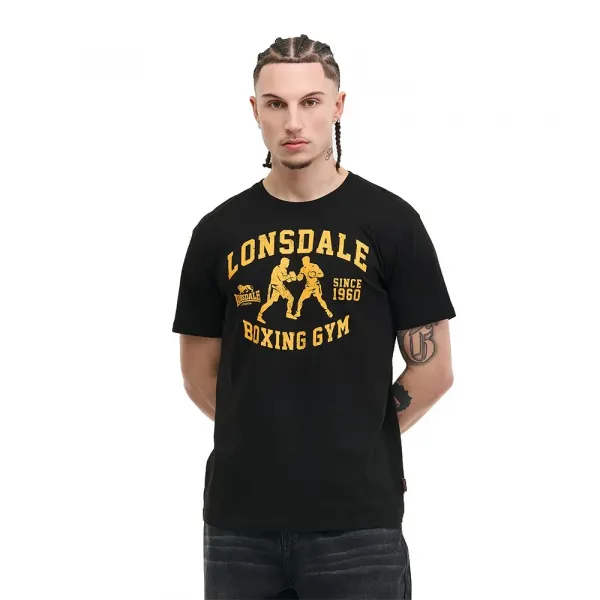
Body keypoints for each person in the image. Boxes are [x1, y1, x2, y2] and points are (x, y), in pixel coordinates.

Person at [172, 34, 456, 600]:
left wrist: (356, 441)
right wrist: (267, 442)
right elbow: (199, 374)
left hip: (357, 524)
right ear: (255, 110)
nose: (293, 121)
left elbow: (433, 369)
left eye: (310, 101)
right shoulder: (217, 232)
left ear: (338, 105)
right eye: (276, 104)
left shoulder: (391, 222)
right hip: (239, 524)